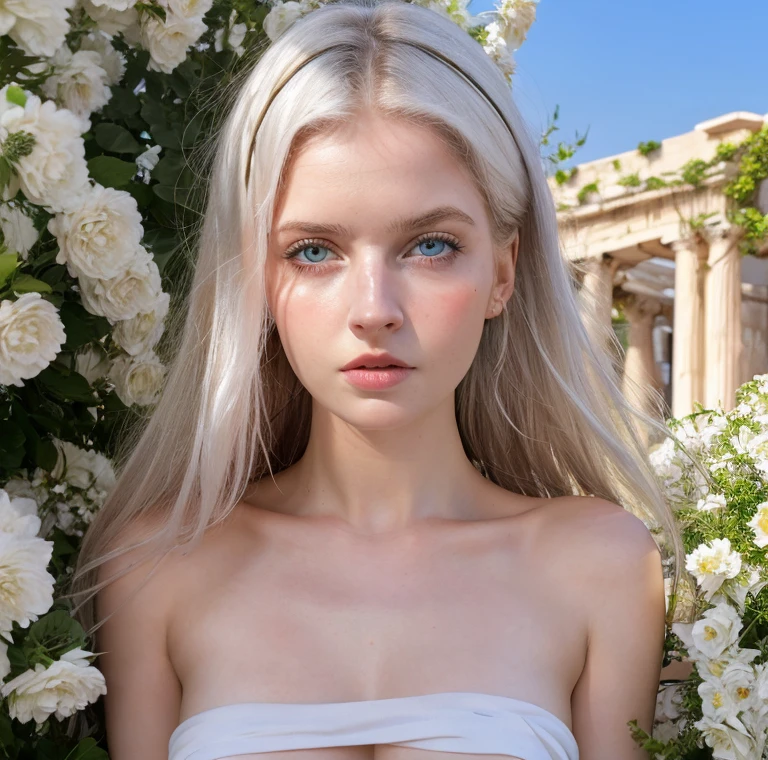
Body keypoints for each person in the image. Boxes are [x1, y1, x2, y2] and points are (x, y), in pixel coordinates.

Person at [67, 0, 685, 758]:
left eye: (429, 245)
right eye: (314, 251)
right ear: (255, 277)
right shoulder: (155, 564)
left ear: (503, 271)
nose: (373, 310)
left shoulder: (602, 563)